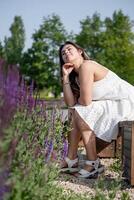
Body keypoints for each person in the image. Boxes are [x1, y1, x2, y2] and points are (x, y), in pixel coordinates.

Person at [59, 41, 134, 178]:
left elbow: (86, 102)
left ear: (80, 51)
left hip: (126, 103)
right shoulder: (75, 78)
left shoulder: (87, 66)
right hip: (112, 104)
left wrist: (79, 104)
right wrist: (65, 77)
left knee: (80, 109)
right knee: (75, 110)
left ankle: (86, 162)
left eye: (69, 49)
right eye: (63, 53)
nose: (66, 53)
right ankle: (75, 160)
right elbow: (70, 103)